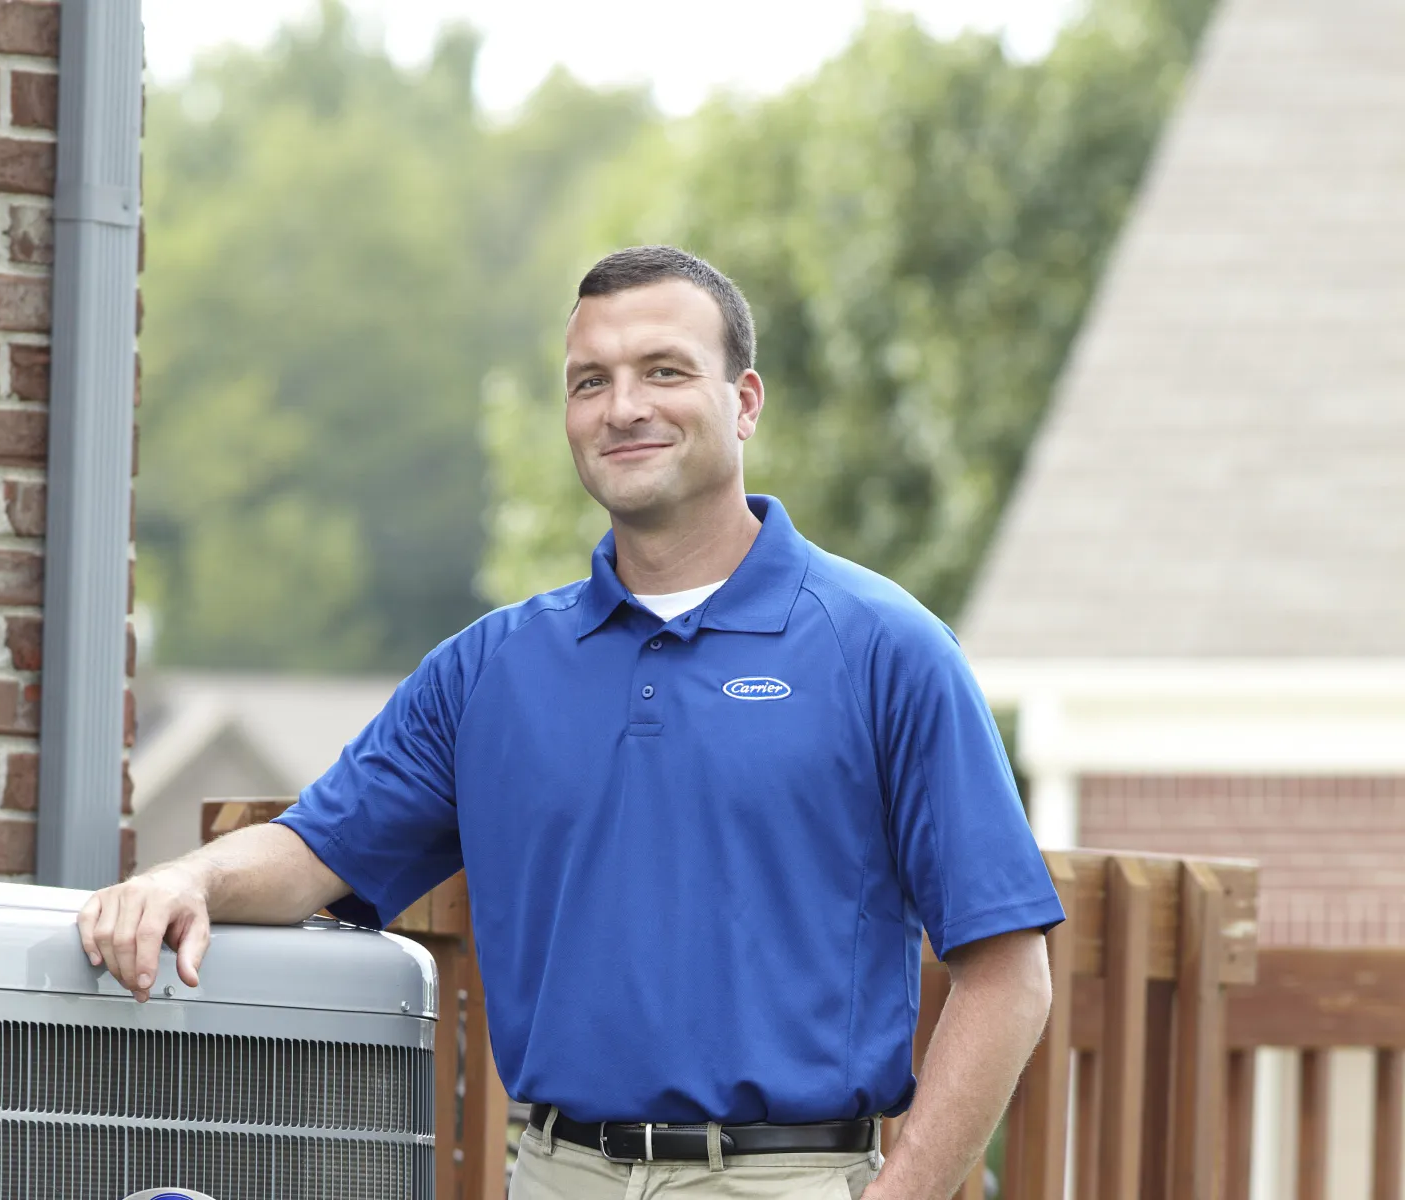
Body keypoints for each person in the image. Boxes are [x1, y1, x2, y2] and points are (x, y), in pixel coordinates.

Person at [79, 245, 1064, 1199]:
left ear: (745, 401)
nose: (623, 406)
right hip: (555, 1175)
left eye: (664, 371)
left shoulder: (884, 648)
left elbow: (1008, 972)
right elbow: (312, 851)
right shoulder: (490, 670)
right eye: (589, 381)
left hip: (784, 1178)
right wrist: (186, 877)